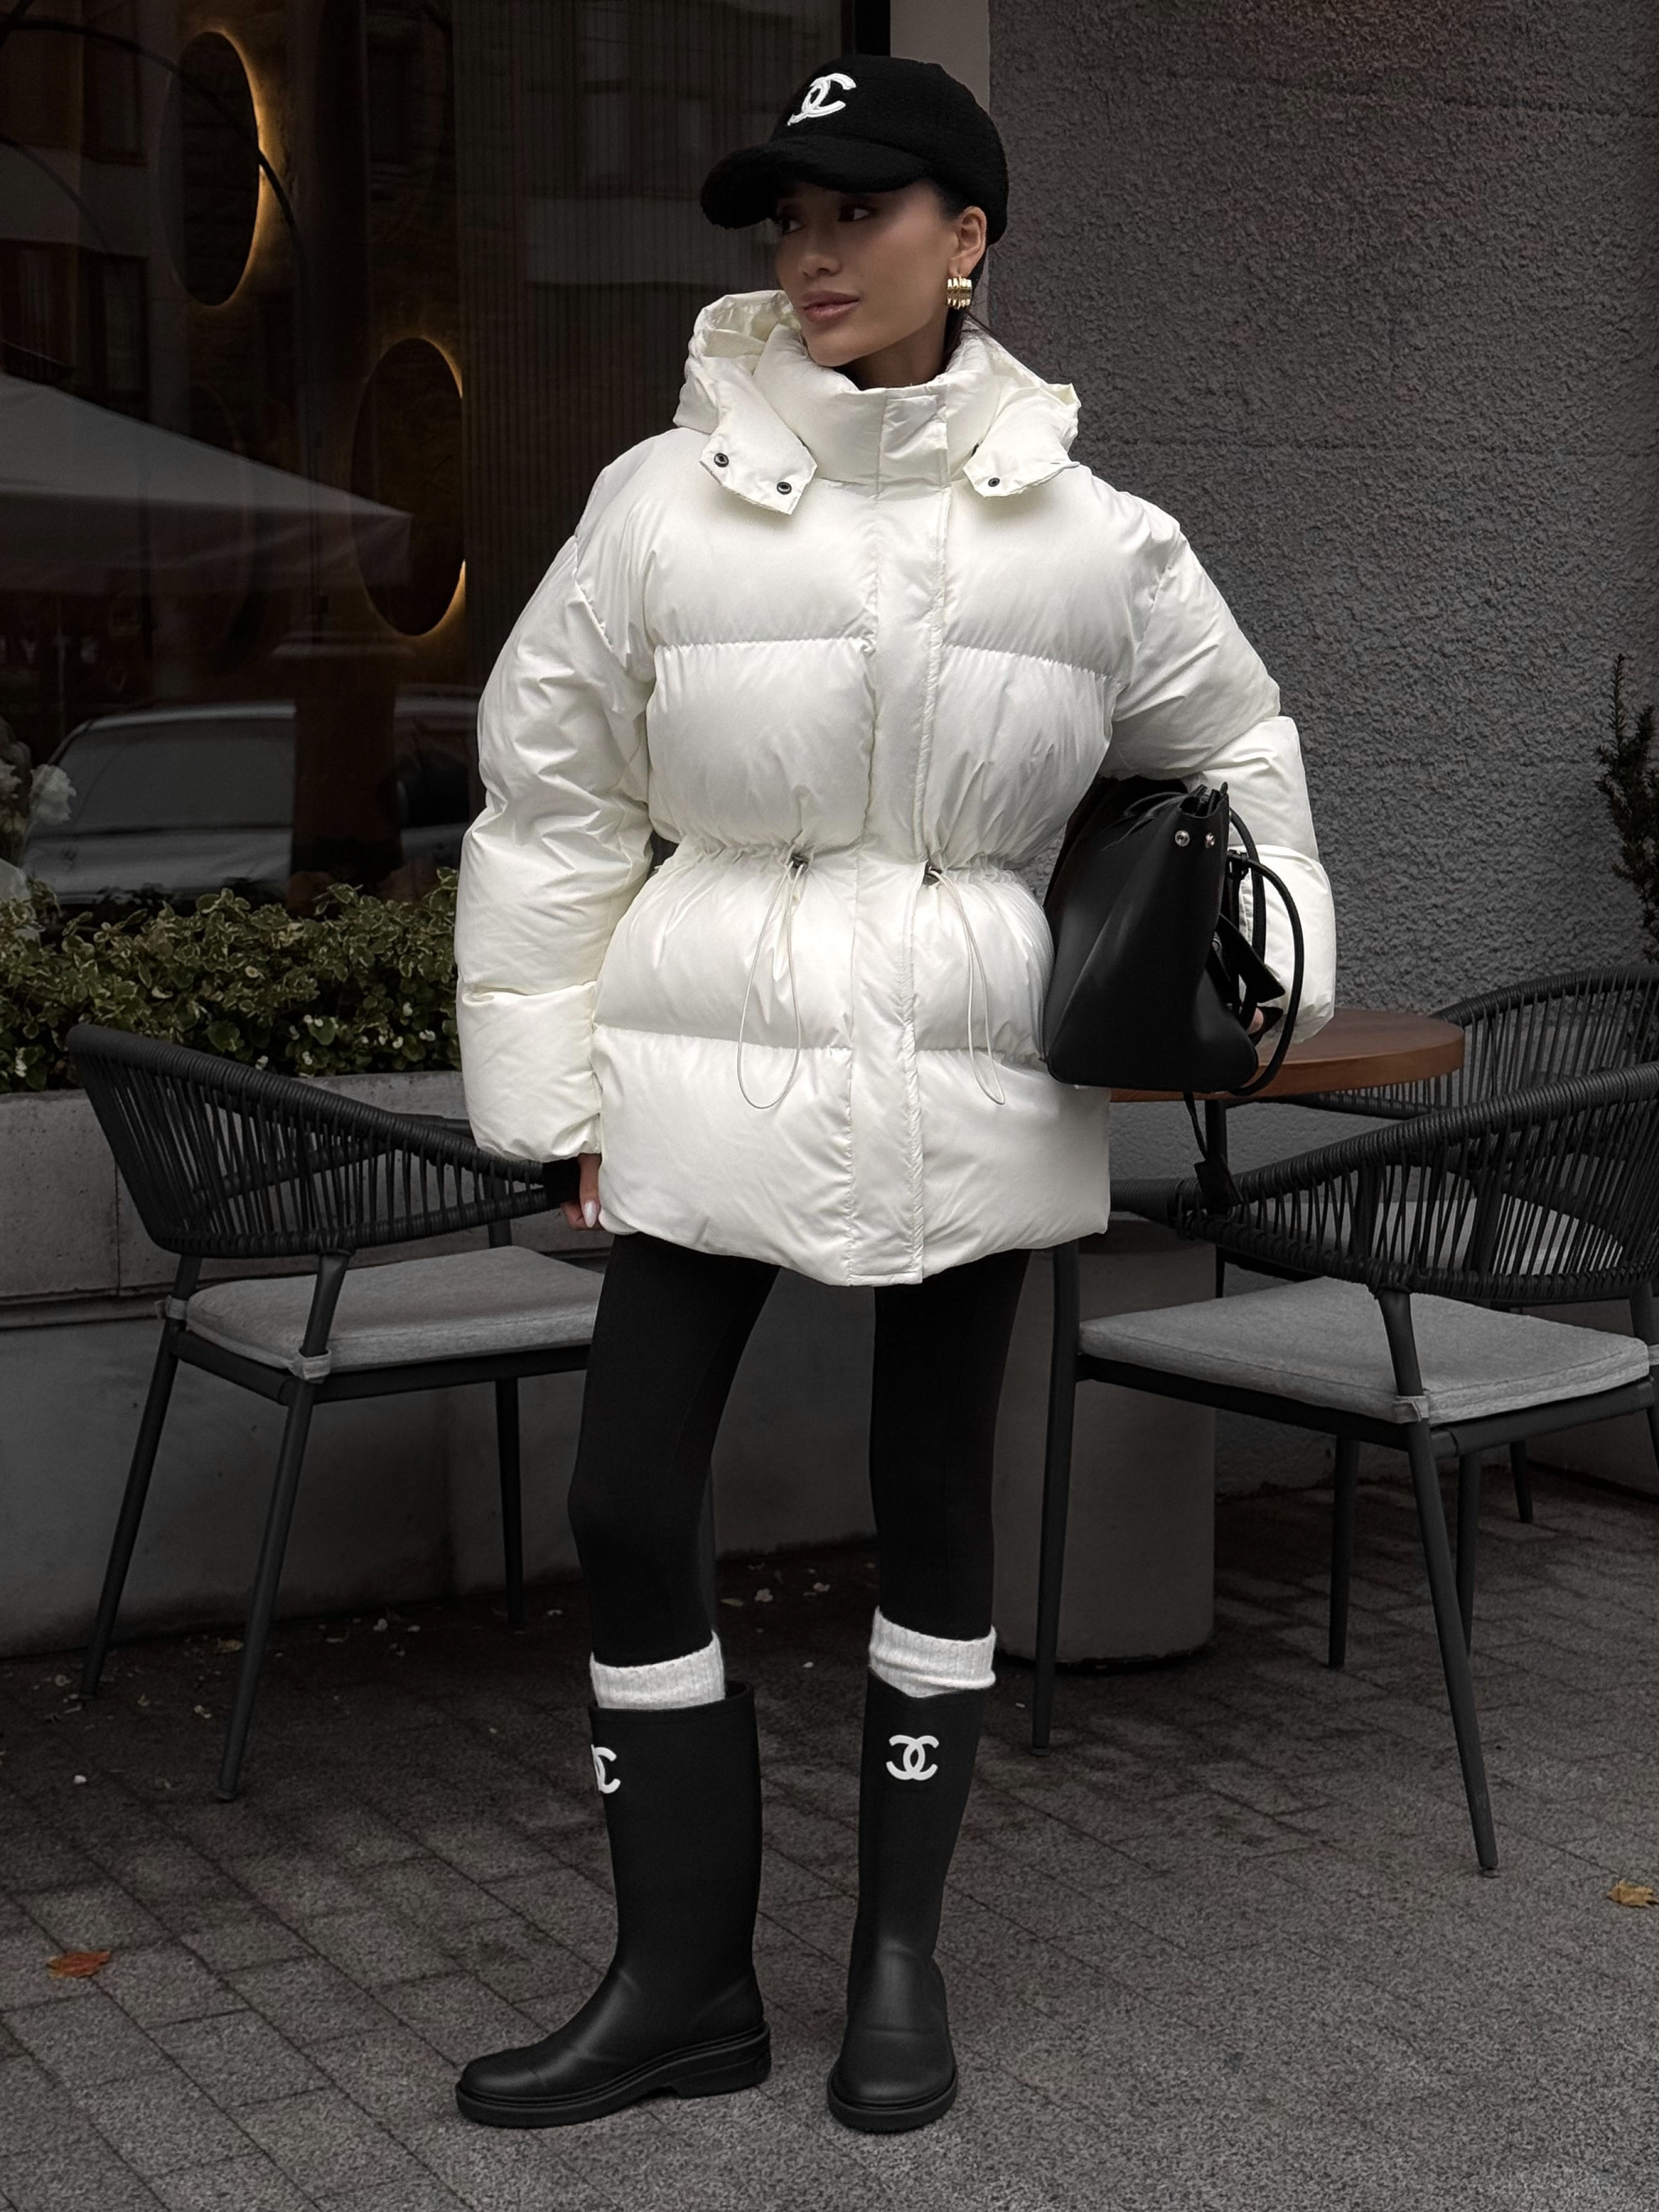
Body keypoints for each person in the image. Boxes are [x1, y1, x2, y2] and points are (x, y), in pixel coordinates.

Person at [451, 54, 1336, 2136]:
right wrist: (550, 1095)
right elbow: (552, 798)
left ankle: (895, 1966)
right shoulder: (655, 503)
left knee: (933, 1492)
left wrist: (1256, 966)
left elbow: (1238, 743)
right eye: (790, 219)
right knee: (623, 1499)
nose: (814, 254)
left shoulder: (1092, 536)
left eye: (860, 211)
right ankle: (677, 1983)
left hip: (969, 1058)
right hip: (701, 1045)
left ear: (969, 238)